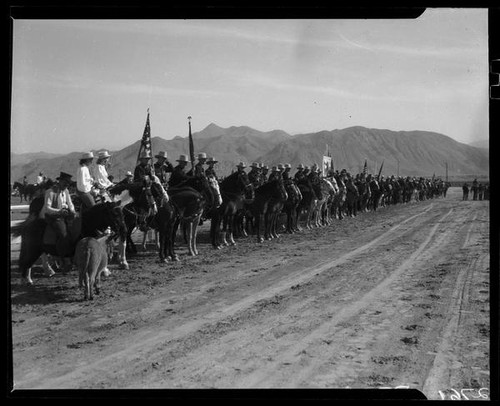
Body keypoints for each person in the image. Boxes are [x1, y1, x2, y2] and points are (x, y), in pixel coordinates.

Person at [39, 172, 76, 274]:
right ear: (59, 181)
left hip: (64, 214)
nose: (66, 185)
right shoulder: (50, 192)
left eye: (68, 184)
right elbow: (47, 208)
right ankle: (65, 259)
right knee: (63, 233)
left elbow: (70, 203)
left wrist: (72, 211)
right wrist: (59, 212)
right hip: (53, 216)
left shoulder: (66, 191)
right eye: (65, 183)